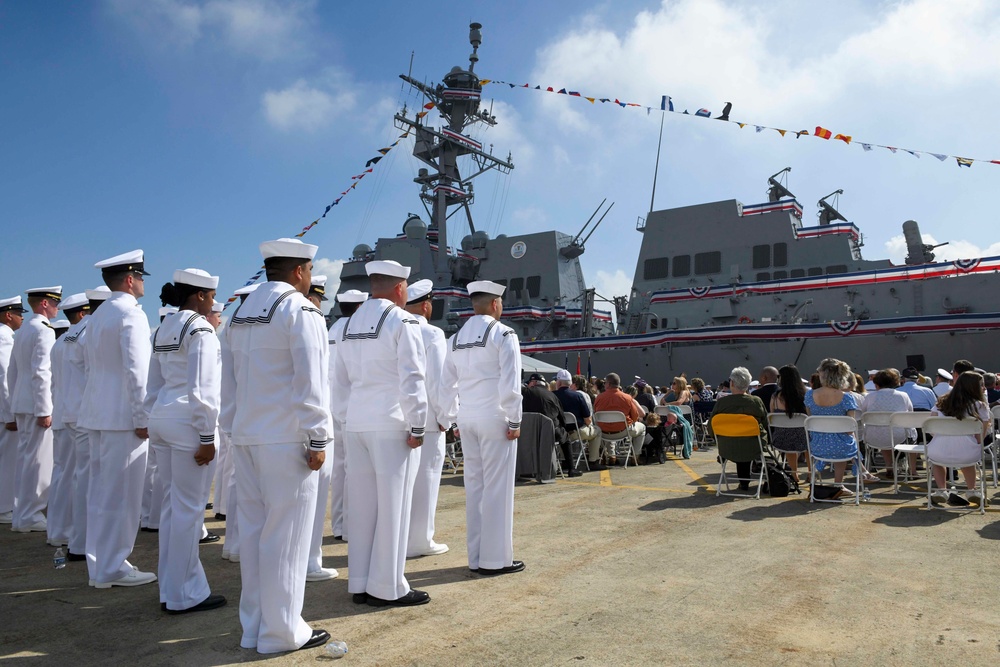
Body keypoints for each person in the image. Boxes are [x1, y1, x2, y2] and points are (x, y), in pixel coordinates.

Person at [224, 238, 331, 652]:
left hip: (248, 435)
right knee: (286, 537)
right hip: (286, 438)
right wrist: (317, 435)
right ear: (301, 271)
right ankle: (283, 632)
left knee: (253, 536)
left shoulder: (240, 313)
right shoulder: (301, 309)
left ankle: (254, 627)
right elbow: (310, 381)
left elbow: (228, 380)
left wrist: (233, 427)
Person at [331, 260, 429, 606]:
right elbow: (413, 378)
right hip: (390, 423)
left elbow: (338, 380)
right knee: (393, 507)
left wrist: (346, 418)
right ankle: (388, 586)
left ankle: (359, 582)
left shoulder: (348, 323)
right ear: (401, 288)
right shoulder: (403, 320)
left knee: (362, 508)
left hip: (356, 422)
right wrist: (418, 424)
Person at [143, 269, 226, 614]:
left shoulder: (164, 327)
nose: (212, 303)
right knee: (189, 512)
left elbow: (152, 384)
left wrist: (152, 416)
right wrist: (207, 436)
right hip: (189, 423)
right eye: (210, 296)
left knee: (171, 508)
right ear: (202, 296)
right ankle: (185, 593)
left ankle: (171, 588)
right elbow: (203, 389)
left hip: (163, 418)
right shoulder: (201, 329)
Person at [78, 251, 157, 588]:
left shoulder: (97, 316)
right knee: (122, 498)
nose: (142, 283)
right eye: (140, 277)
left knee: (100, 495)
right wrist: (142, 416)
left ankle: (101, 566)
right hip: (123, 418)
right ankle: (113, 567)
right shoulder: (131, 315)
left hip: (96, 414)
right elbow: (137, 371)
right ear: (129, 279)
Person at [440, 280, 524, 576]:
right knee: (498, 490)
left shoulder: (455, 339)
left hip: (468, 418)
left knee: (475, 488)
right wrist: (515, 419)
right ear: (496, 304)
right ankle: (495, 559)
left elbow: (446, 383)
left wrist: (449, 417)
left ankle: (476, 557)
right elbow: (510, 383)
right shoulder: (504, 334)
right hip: (495, 417)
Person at [403, 279, 452, 557]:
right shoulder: (432, 334)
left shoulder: (393, 328)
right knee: (426, 481)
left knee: (399, 484)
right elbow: (438, 382)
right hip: (429, 421)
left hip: (397, 418)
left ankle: (398, 538)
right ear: (426, 305)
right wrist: (446, 416)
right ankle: (420, 540)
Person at [62, 287, 109, 567]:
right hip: (89, 413)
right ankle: (85, 544)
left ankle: (80, 541)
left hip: (76, 411)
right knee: (94, 483)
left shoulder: (75, 332)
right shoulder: (93, 329)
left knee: (84, 479)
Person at [8, 286, 61, 533]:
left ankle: (21, 515)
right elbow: (42, 371)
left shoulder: (23, 330)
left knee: (25, 461)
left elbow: (12, 373)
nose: (57, 308)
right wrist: (44, 409)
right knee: (39, 464)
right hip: (36, 406)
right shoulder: (43, 331)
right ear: (44, 304)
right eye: (54, 303)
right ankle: (31, 514)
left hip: (21, 403)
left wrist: (13, 405)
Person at [218, 283, 259, 563]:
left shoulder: (230, 326)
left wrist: (229, 422)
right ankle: (240, 546)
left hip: (239, 419)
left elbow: (227, 382)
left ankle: (234, 544)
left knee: (239, 487)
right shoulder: (253, 325)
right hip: (259, 421)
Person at [46, 293, 89, 548]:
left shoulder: (59, 342)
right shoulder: (83, 338)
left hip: (62, 413)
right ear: (83, 314)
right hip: (79, 414)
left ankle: (58, 530)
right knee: (79, 477)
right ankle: (73, 533)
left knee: (62, 473)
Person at [325, 289, 366, 543]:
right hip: (352, 407)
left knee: (338, 470)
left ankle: (338, 524)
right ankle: (350, 527)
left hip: (331, 407)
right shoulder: (356, 331)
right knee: (355, 470)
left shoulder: (331, 331)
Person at [928, 371, 990, 506]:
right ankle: (972, 490)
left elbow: (931, 427)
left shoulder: (941, 402)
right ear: (973, 387)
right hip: (967, 454)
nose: (984, 388)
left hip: (938, 450)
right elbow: (980, 437)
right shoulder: (980, 406)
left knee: (937, 461)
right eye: (981, 385)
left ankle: (942, 490)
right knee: (969, 457)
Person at [804, 358, 861, 497]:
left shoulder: (810, 395)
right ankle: (838, 484)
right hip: (841, 447)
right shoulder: (847, 397)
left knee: (841, 441)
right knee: (848, 441)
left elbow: (810, 421)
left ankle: (830, 485)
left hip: (817, 446)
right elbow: (849, 427)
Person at [711, 367, 768, 490]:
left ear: (731, 383)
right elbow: (765, 423)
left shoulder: (721, 403)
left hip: (727, 445)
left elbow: (712, 426)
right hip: (752, 445)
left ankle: (742, 480)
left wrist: (718, 438)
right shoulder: (756, 402)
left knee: (737, 445)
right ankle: (745, 481)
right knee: (745, 445)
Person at [859, 369, 914, 481]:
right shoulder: (903, 396)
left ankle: (889, 466)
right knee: (892, 431)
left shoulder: (870, 397)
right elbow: (910, 413)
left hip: (873, 436)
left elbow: (862, 414)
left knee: (882, 430)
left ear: (876, 383)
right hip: (898, 435)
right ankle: (911, 469)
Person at [0, 296, 26, 525]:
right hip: (3, 412)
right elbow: (5, 377)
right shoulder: (5, 338)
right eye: (19, 313)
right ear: (8, 315)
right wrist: (10, 414)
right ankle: (5, 507)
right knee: (8, 461)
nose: (22, 317)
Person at [522, 372, 578, 477]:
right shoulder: (552, 395)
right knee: (566, 439)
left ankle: (525, 469)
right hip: (550, 432)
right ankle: (571, 469)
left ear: (533, 382)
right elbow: (562, 418)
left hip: (527, 433)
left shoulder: (524, 393)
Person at [555, 369, 601, 470]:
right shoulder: (578, 396)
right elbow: (588, 420)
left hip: (558, 433)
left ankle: (563, 461)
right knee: (597, 431)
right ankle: (593, 461)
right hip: (577, 432)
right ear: (570, 383)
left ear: (558, 382)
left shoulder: (552, 396)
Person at [594, 373, 645, 464]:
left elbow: (595, 414)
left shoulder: (599, 397)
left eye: (605, 383)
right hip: (623, 431)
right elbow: (635, 416)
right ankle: (635, 456)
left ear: (609, 384)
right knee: (642, 428)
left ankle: (612, 455)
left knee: (607, 425)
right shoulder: (627, 398)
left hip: (604, 432)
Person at [769, 364, 808, 484]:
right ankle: (811, 473)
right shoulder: (805, 395)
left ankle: (793, 473)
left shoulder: (775, 397)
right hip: (803, 439)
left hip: (781, 439)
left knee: (790, 444)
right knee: (808, 443)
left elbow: (772, 415)